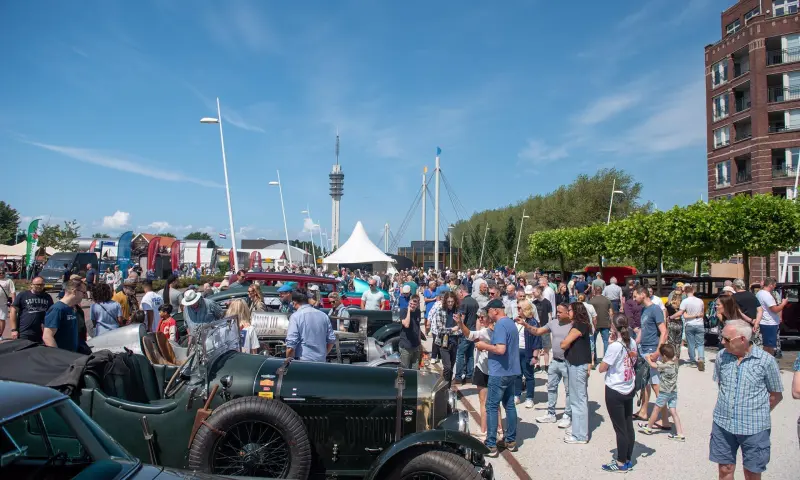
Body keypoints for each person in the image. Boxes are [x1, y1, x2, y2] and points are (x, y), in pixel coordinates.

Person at [711, 320, 783, 480]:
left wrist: (755, 411)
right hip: (723, 424)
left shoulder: (766, 361)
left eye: (726, 339)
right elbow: (721, 384)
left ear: (742, 339)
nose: (722, 342)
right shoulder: (722, 357)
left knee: (751, 473)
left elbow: (776, 395)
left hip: (754, 428)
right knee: (725, 469)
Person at [475, 298, 520, 455]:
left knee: (491, 406)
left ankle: (491, 444)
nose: (488, 314)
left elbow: (500, 349)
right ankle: (511, 440)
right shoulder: (511, 323)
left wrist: (483, 346)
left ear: (495, 310)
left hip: (499, 371)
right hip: (512, 371)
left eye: (488, 311)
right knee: (509, 405)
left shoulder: (500, 325)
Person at [599, 314, 638, 472]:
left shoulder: (615, 346)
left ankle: (621, 462)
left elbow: (602, 367)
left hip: (615, 388)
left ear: (614, 327)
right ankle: (628, 457)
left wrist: (609, 345)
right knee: (628, 424)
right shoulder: (632, 342)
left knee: (620, 428)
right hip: (628, 385)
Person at [456, 309, 501, 439]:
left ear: (489, 319)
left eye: (482, 317)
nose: (480, 319)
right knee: (496, 402)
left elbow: (469, 334)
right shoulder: (497, 331)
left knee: (483, 402)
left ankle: (483, 430)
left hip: (483, 369)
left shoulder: (484, 332)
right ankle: (500, 429)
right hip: (495, 369)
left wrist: (460, 323)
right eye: (478, 317)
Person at [634, 285, 669, 427]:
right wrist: (634, 344)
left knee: (656, 385)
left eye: (635, 295)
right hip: (644, 349)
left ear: (643, 294)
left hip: (652, 350)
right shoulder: (644, 310)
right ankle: (643, 411)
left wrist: (658, 351)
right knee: (645, 382)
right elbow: (643, 330)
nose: (634, 298)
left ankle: (665, 420)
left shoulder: (655, 309)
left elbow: (664, 331)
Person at [560, 302, 593, 444]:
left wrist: (564, 342)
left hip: (578, 366)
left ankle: (580, 435)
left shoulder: (579, 325)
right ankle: (577, 429)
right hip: (575, 364)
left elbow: (564, 343)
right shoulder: (580, 325)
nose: (568, 312)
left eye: (570, 310)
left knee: (578, 400)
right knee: (576, 398)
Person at [639, 344, 685, 441]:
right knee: (673, 412)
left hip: (664, 392)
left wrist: (647, 357)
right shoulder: (675, 364)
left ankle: (649, 427)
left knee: (656, 409)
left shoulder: (665, 366)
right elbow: (670, 359)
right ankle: (680, 433)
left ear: (664, 356)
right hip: (673, 392)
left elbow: (653, 365)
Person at [285, 291, 336, 362]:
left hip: (303, 362)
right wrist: (323, 355)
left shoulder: (295, 317)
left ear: (294, 302)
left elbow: (291, 346)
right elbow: (331, 340)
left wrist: (287, 362)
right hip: (321, 362)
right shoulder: (324, 316)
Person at [43, 279, 85, 351]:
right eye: (83, 292)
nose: (84, 296)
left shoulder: (72, 308)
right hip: (63, 358)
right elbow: (47, 336)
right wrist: (59, 356)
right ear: (74, 291)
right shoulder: (57, 309)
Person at [670, 285, 704, 369]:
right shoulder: (700, 301)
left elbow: (680, 313)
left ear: (685, 292)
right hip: (700, 324)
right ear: (693, 291)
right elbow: (702, 314)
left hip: (689, 325)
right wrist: (697, 316)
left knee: (691, 344)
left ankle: (692, 361)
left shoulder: (685, 301)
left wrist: (671, 317)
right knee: (700, 343)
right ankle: (701, 358)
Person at [514, 299, 541, 408]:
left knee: (529, 375)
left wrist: (535, 356)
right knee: (517, 375)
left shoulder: (533, 322)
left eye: (519, 308)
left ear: (525, 309)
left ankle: (529, 398)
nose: (517, 309)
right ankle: (516, 395)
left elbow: (537, 340)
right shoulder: (515, 320)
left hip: (527, 351)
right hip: (516, 351)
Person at [9, 276, 52, 342]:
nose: (40, 286)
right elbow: (13, 311)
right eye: (37, 285)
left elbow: (51, 313)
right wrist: (14, 330)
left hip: (41, 332)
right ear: (31, 285)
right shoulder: (23, 295)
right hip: (24, 331)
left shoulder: (47, 297)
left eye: (42, 285)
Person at [433, 291, 462, 390]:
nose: (450, 303)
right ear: (445, 301)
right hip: (443, 342)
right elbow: (440, 329)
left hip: (454, 341)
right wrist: (451, 330)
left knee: (451, 368)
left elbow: (460, 327)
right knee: (447, 367)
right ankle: (443, 389)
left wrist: (457, 328)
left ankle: (448, 388)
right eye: (448, 301)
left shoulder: (457, 311)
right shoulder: (440, 311)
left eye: (452, 301)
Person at [755, 277, 787, 356]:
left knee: (767, 344)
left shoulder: (759, 293)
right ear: (770, 285)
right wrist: (783, 303)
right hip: (769, 323)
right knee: (769, 346)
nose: (775, 287)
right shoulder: (767, 295)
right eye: (774, 285)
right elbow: (775, 309)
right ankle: (769, 362)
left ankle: (767, 361)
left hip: (765, 321)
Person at [455, 285, 479, 385]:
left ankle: (458, 377)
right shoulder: (475, 301)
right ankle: (469, 376)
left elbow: (462, 319)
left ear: (461, 292)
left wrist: (457, 328)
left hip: (465, 332)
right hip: (473, 332)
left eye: (458, 294)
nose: (458, 297)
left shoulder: (464, 303)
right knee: (470, 355)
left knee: (460, 354)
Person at [589, 285, 612, 365]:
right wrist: (611, 323)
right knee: (606, 341)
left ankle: (594, 359)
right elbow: (611, 313)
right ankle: (606, 360)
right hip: (605, 323)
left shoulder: (591, 301)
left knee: (593, 342)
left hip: (594, 324)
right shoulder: (607, 300)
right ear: (602, 291)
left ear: (594, 291)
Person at [399, 296, 422, 369]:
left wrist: (420, 343)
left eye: (414, 304)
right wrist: (409, 311)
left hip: (416, 346)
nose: (412, 305)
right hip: (406, 346)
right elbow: (406, 324)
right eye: (411, 303)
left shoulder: (418, 312)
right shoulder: (403, 311)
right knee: (405, 370)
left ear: (418, 304)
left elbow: (418, 328)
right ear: (409, 302)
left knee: (415, 370)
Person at [0, 268, 16, 335]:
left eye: (2, 273)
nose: (1, 274)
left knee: (2, 319)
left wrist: (14, 302)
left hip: (3, 303)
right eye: (0, 273)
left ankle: (0, 334)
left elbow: (13, 292)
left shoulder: (8, 281)